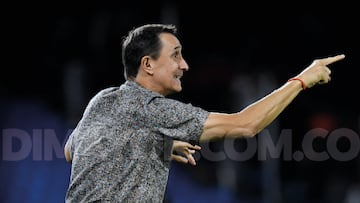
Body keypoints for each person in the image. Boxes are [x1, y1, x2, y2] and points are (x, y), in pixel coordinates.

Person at [63, 23, 345, 202]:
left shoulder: (103, 100)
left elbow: (71, 151)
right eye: (175, 55)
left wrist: (150, 144)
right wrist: (302, 80)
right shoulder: (153, 108)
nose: (184, 65)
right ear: (147, 64)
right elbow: (245, 125)